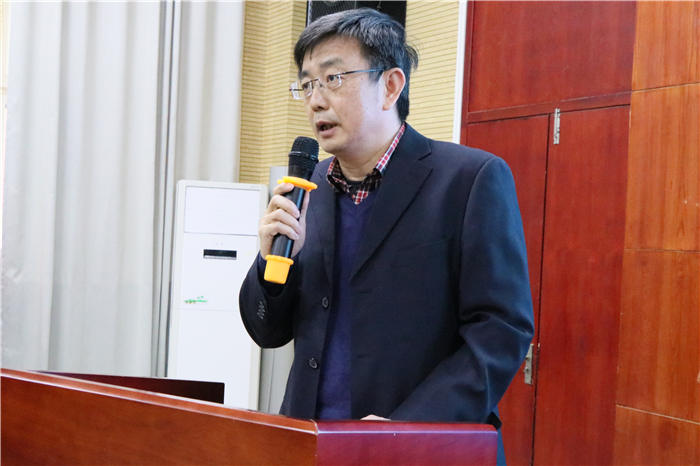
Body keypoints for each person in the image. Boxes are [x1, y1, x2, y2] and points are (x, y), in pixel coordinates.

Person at [239, 8, 534, 464]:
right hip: (314, 445)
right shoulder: (308, 188)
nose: (315, 100)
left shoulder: (469, 179)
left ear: (391, 86)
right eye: (307, 84)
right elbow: (267, 331)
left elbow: (500, 330)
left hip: (425, 448)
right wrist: (269, 263)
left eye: (333, 78)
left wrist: (405, 427)